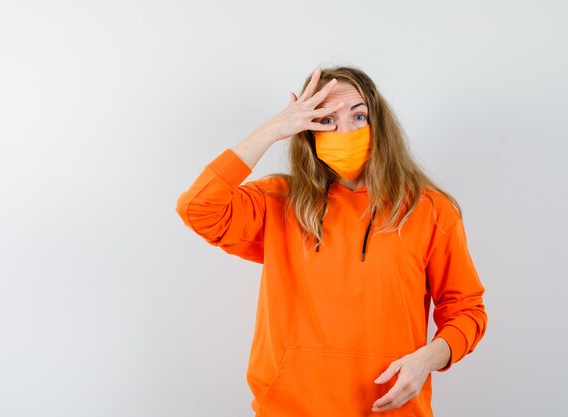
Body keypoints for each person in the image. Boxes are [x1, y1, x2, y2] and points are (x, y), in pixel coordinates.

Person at [175, 65, 488, 417]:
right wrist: (272, 130)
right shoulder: (279, 201)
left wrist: (426, 361)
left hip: (392, 408)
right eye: (327, 120)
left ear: (379, 124)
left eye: (359, 116)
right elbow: (198, 207)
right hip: (289, 408)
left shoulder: (429, 209)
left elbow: (466, 310)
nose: (346, 131)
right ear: (307, 130)